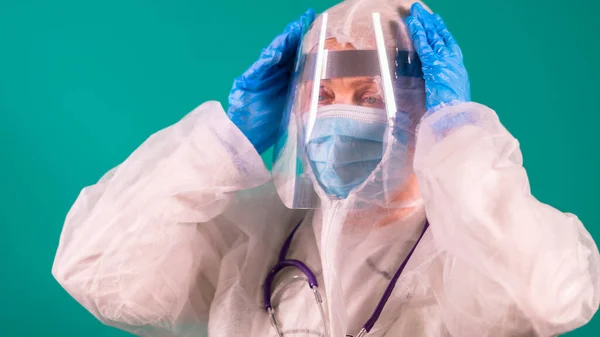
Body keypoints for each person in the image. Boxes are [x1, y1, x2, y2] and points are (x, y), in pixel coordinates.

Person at [52, 1, 600, 336]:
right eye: (323, 97)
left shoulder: (475, 249)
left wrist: (458, 140)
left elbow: (551, 296)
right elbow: (91, 265)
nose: (337, 117)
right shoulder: (258, 237)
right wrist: (221, 142)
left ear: (423, 109)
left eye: (368, 95)